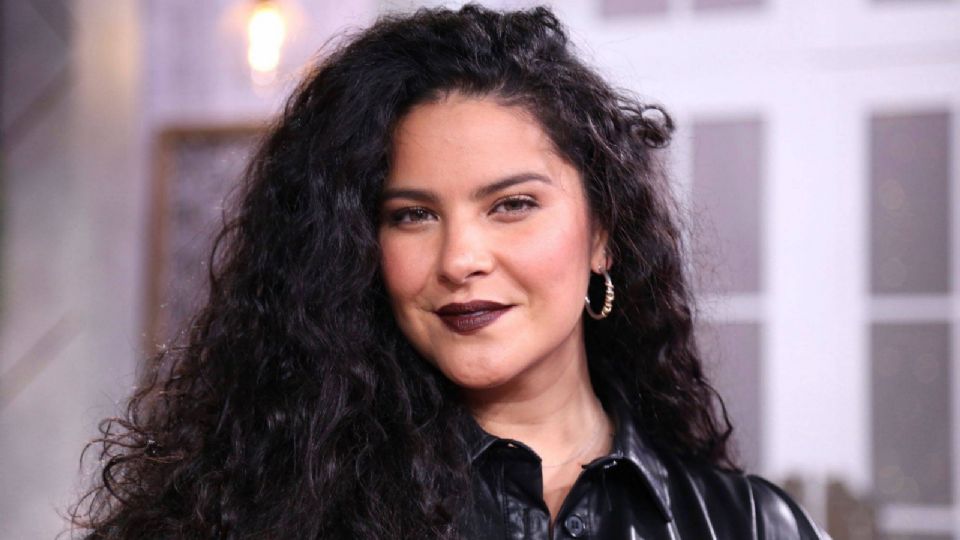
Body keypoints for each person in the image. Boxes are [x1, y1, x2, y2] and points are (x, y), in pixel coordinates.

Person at [71, 4, 828, 539]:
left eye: (512, 205)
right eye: (412, 215)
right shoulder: (259, 511)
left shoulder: (751, 525)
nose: (461, 259)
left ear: (603, 234)